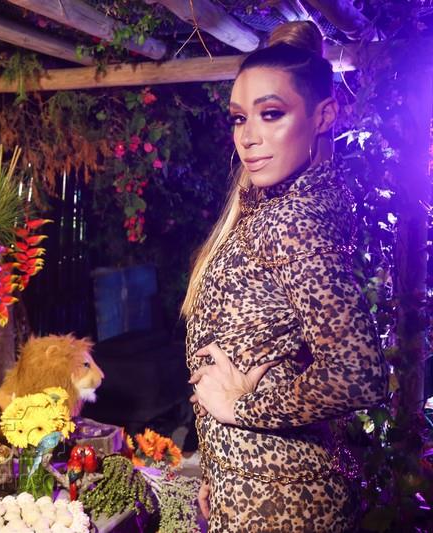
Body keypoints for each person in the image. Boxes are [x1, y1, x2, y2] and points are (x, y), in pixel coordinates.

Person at [181, 21, 389, 532]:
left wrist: (242, 407)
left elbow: (357, 374)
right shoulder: (278, 206)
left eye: (271, 113)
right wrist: (219, 469)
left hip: (282, 504)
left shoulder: (294, 219)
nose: (248, 137)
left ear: (324, 116)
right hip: (255, 487)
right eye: (238, 118)